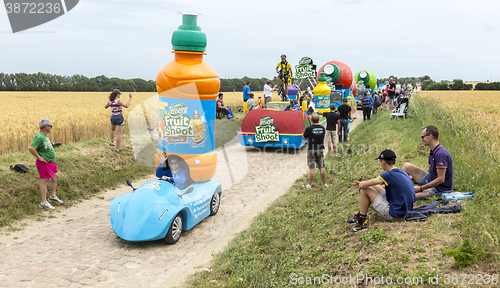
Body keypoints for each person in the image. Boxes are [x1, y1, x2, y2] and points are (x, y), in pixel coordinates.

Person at [346, 150, 416, 233]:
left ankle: (361, 222)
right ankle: (361, 213)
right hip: (405, 210)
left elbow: (363, 186)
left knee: (364, 190)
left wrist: (361, 184)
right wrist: (364, 183)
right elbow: (375, 184)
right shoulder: (402, 172)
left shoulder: (388, 174)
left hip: (395, 214)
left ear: (383, 162)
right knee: (372, 186)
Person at [402, 126, 453, 198]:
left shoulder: (440, 154)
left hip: (438, 188)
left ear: (430, 136)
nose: (422, 139)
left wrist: (421, 188)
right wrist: (413, 177)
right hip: (429, 180)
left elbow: (441, 179)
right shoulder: (433, 150)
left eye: (423, 137)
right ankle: (397, 186)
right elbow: (429, 171)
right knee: (406, 166)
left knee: (409, 195)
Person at [28, 119, 64, 210]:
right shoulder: (39, 137)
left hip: (51, 162)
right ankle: (43, 202)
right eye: (51, 126)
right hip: (45, 163)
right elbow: (30, 147)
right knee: (45, 182)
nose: (51, 127)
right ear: (46, 127)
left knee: (55, 177)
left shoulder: (44, 136)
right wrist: (39, 157)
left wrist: (52, 145)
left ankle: (52, 196)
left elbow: (43, 145)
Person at [302, 114, 327, 188]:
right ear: (319, 120)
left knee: (311, 167)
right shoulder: (323, 128)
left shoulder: (308, 129)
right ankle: (324, 183)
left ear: (311, 120)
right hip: (320, 149)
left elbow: (304, 137)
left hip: (311, 149)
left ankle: (309, 184)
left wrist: (309, 139)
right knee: (321, 166)